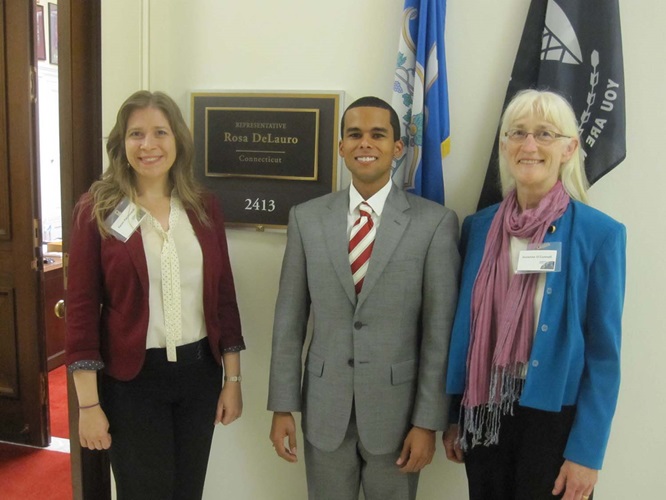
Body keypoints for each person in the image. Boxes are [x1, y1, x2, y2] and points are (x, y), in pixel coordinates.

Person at [267, 96, 460, 500]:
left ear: (398, 147)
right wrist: (283, 406)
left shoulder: (435, 223)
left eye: (378, 134)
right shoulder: (307, 218)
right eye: (354, 134)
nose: (365, 143)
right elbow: (289, 320)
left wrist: (428, 422)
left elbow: (439, 335)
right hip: (324, 410)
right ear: (341, 147)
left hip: (399, 417)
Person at [443, 89, 626, 500]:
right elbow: (466, 331)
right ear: (504, 145)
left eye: (545, 134)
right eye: (518, 133)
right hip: (484, 411)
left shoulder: (600, 235)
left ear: (569, 148)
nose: (529, 145)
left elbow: (603, 354)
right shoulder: (479, 228)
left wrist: (588, 454)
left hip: (555, 421)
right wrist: (456, 415)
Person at [65, 90, 245, 499]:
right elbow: (79, 311)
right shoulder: (98, 210)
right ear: (121, 143)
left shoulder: (203, 207)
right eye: (136, 134)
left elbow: (223, 299)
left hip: (199, 377)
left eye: (160, 132)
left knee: (188, 492)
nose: (148, 145)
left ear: (177, 140)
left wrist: (232, 379)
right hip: (131, 382)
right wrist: (89, 406)